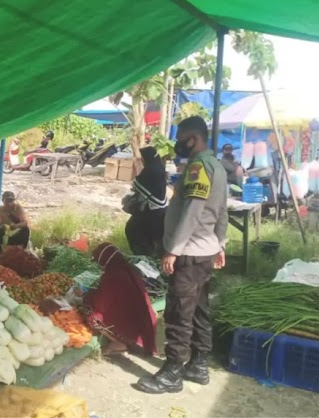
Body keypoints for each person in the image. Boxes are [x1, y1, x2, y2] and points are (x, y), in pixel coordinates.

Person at [136, 116, 228, 394]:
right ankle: (199, 365)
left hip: (189, 252)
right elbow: (222, 210)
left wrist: (173, 250)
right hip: (205, 250)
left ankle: (172, 372)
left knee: (178, 312)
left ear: (193, 139)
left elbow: (193, 212)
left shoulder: (199, 167)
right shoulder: (218, 167)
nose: (178, 145)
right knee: (199, 308)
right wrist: (220, 243)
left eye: (181, 138)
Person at [83, 243, 157, 355]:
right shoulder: (129, 269)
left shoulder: (113, 275)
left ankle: (120, 343)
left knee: (91, 313)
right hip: (146, 328)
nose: (99, 265)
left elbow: (100, 305)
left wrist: (87, 295)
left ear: (105, 260)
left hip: (133, 332)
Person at [124, 146, 168, 257]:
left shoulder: (150, 170)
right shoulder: (159, 167)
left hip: (150, 212)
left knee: (134, 230)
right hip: (161, 210)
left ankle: (144, 259)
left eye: (143, 158)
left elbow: (137, 185)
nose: (142, 160)